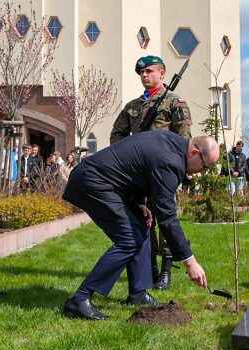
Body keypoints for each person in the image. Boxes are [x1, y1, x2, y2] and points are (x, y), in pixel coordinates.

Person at [61, 132, 218, 320]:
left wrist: (139, 204)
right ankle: (79, 299)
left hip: (107, 183)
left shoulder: (171, 142)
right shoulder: (170, 161)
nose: (201, 172)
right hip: (93, 183)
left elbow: (136, 170)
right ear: (194, 152)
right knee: (128, 240)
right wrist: (190, 262)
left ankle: (138, 293)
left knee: (141, 227)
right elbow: (167, 217)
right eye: (204, 166)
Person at [110, 55, 193, 290]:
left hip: (162, 172)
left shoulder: (174, 103)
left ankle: (166, 269)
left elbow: (183, 138)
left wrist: (179, 168)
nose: (145, 75)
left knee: (166, 220)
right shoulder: (133, 107)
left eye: (149, 71)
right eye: (141, 73)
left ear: (162, 74)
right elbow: (117, 134)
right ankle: (150, 267)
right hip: (137, 175)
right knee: (143, 221)